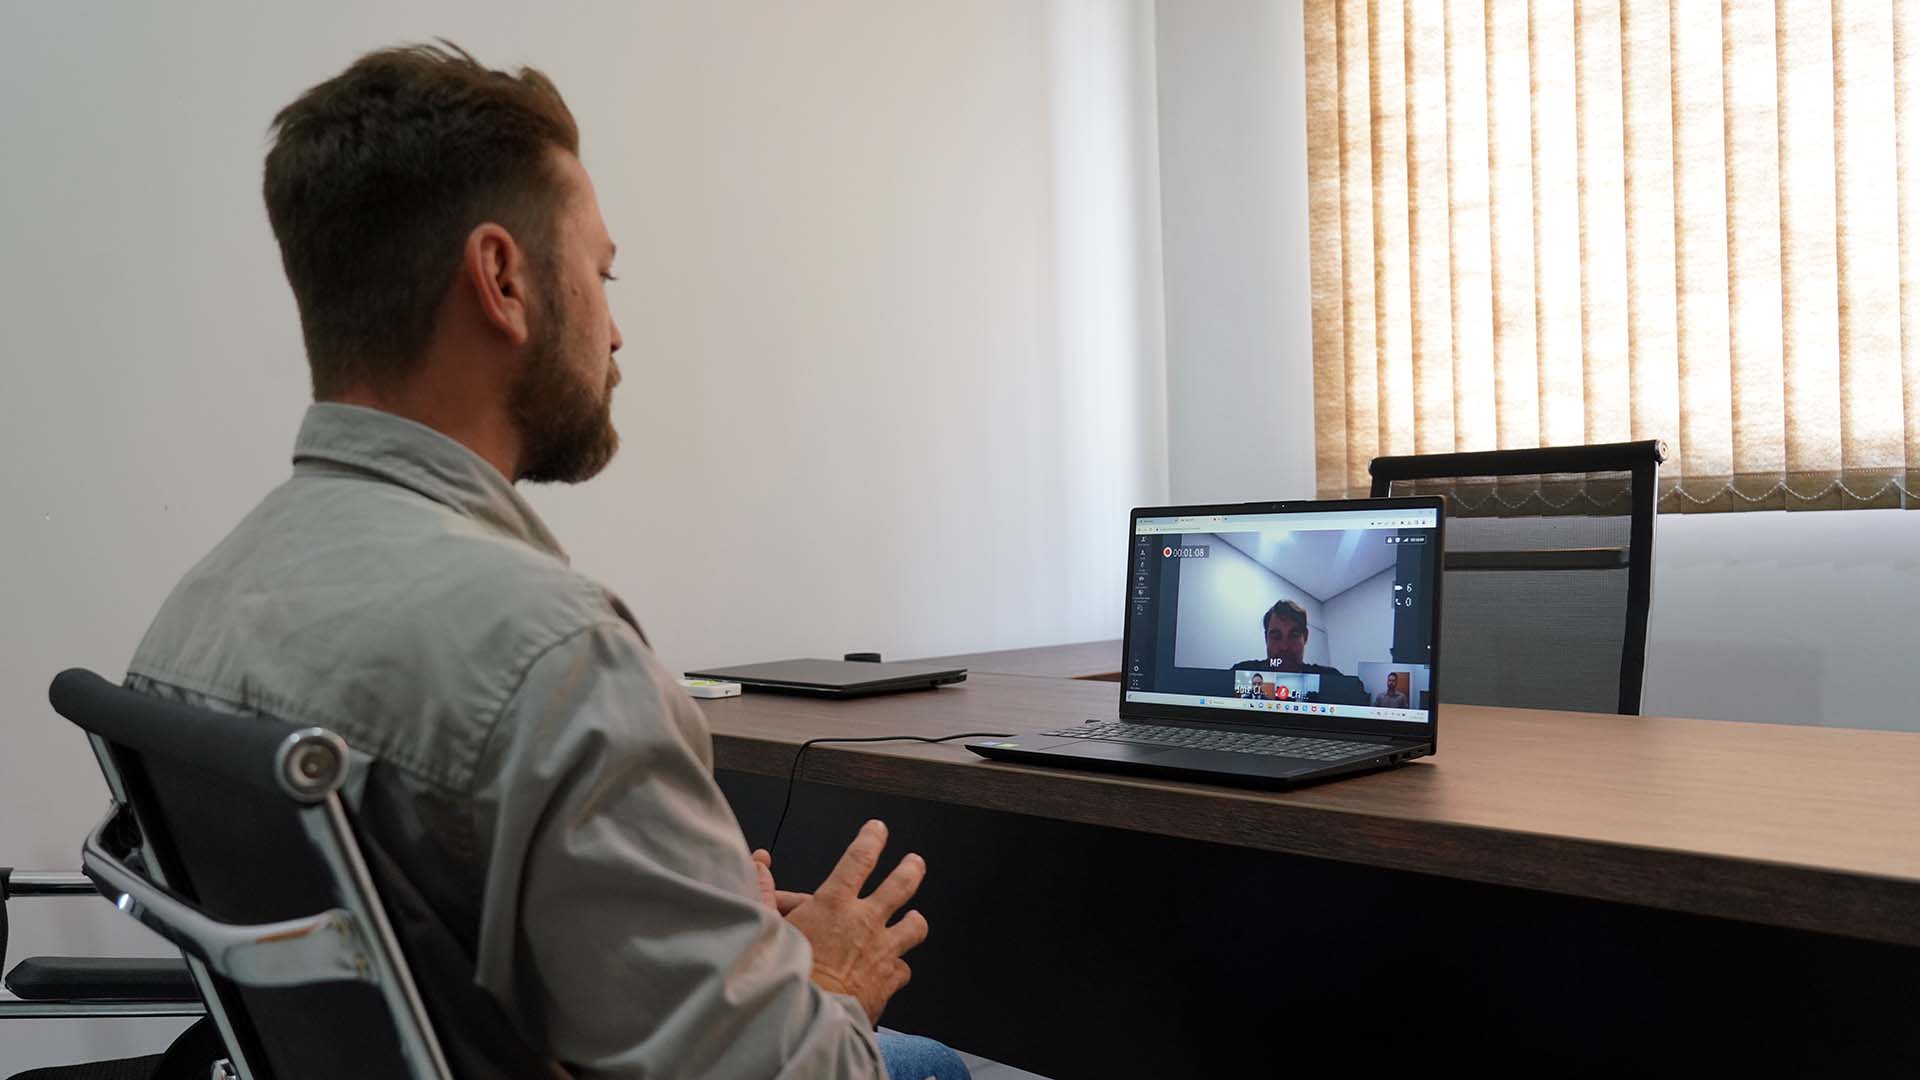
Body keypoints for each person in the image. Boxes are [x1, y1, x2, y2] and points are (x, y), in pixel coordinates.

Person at [123, 43, 965, 1080]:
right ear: (504, 280)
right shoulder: (556, 659)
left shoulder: (202, 603)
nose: (616, 330)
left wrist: (692, 924)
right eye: (602, 274)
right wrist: (829, 979)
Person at [1230, 599, 1369, 705]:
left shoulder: (1329, 679)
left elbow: (1361, 697)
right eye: (1276, 636)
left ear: (1306, 637)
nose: (1284, 647)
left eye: (1294, 635)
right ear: (1266, 638)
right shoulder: (1241, 672)